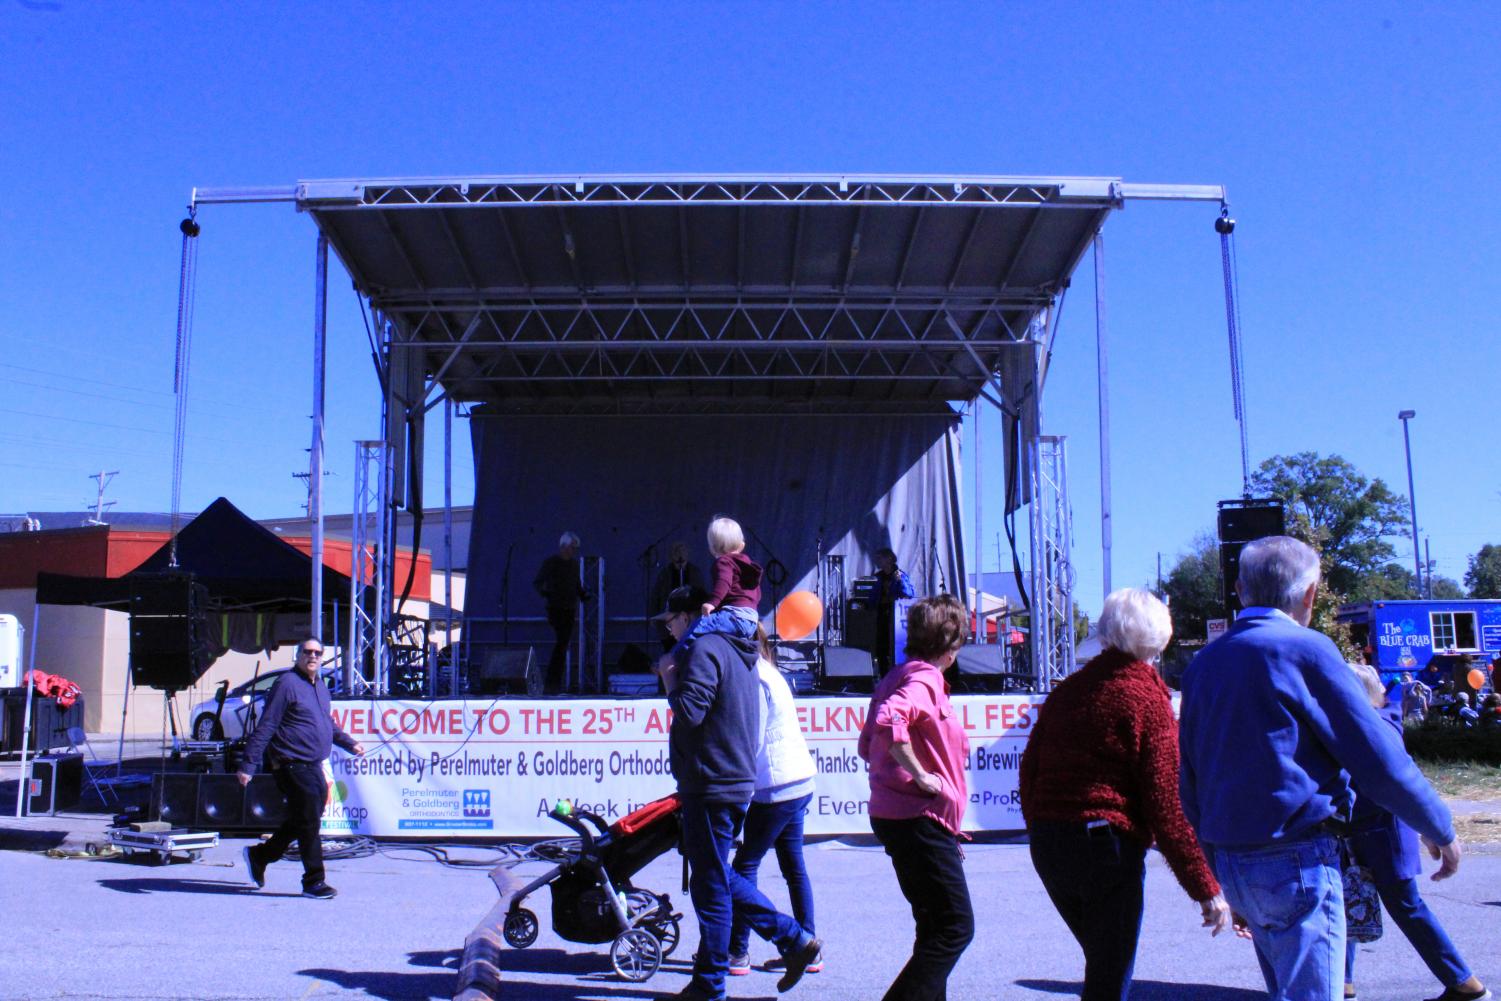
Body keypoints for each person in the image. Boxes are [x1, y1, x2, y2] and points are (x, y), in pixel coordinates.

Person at [1179, 536, 1462, 1001]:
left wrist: (1221, 871)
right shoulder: (1307, 648)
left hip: (1233, 859)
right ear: (1310, 595)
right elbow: (1378, 760)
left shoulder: (1204, 664)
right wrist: (1438, 826)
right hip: (1297, 861)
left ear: (1240, 588)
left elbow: (1190, 783)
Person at [1020, 588, 1233, 1001]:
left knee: (1102, 964)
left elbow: (1029, 771)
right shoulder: (1147, 698)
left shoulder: (1068, 690)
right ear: (1161, 636)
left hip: (1050, 845)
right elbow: (1165, 804)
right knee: (1108, 976)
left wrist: (1042, 827)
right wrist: (1205, 887)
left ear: (1105, 632)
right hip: (1105, 847)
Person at [654, 586, 821, 1000]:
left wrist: (669, 677)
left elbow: (691, 712)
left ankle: (729, 975)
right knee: (716, 877)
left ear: (690, 617)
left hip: (713, 781)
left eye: (672, 621)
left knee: (713, 884)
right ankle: (782, 943)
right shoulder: (738, 649)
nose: (670, 630)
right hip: (728, 780)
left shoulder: (705, 649)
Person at [1341, 662, 1489, 1001]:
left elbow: (1400, 784)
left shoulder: (1376, 726)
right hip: (1362, 829)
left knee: (1407, 907)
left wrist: (1432, 829)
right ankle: (1343, 983)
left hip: (1384, 831)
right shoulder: (1361, 726)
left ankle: (1465, 984)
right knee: (1348, 899)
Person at [858, 593, 973, 1001]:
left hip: (900, 817)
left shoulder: (900, 674)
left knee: (933, 927)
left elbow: (866, 743)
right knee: (955, 927)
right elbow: (890, 725)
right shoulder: (923, 679)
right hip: (918, 820)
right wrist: (923, 776)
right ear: (953, 640)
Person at [237, 638, 365, 899]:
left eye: (317, 653)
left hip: (314, 765)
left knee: (303, 819)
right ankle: (313, 881)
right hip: (290, 763)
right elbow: (268, 724)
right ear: (298, 655)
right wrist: (248, 763)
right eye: (307, 652)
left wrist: (349, 743)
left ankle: (260, 855)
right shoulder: (287, 683)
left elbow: (326, 724)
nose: (313, 656)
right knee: (308, 822)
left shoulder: (320, 687)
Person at [727, 627, 819, 978]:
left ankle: (738, 952)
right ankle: (808, 944)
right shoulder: (770, 670)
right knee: (793, 865)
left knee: (744, 867)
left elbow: (753, 736)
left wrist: (737, 785)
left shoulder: (754, 676)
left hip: (776, 784)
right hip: (797, 779)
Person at [665, 517, 763, 668]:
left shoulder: (724, 562)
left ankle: (675, 660)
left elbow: (723, 583)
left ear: (713, 548)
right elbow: (756, 593)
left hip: (733, 616)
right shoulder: (747, 566)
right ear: (742, 545)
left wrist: (712, 603)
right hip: (750, 620)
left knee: (697, 628)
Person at [534, 531, 586, 694]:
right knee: (561, 644)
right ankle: (552, 684)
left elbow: (577, 585)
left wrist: (584, 595)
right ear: (563, 547)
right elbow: (538, 582)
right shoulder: (551, 563)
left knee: (562, 645)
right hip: (556, 608)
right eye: (571, 547)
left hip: (569, 609)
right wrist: (549, 594)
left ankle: (554, 683)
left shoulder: (574, 565)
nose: (573, 551)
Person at [873, 547, 917, 669]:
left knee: (895, 647)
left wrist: (900, 581)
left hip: (895, 617)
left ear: (889, 559)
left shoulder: (900, 575)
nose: (878, 562)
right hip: (882, 615)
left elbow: (909, 594)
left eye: (880, 558)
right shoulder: (879, 577)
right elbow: (873, 597)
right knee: (881, 648)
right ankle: (884, 677)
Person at [652, 541, 706, 624]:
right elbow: (657, 596)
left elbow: (701, 594)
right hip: (670, 616)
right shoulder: (665, 574)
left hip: (690, 616)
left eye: (683, 561)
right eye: (676, 562)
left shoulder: (695, 573)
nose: (680, 565)